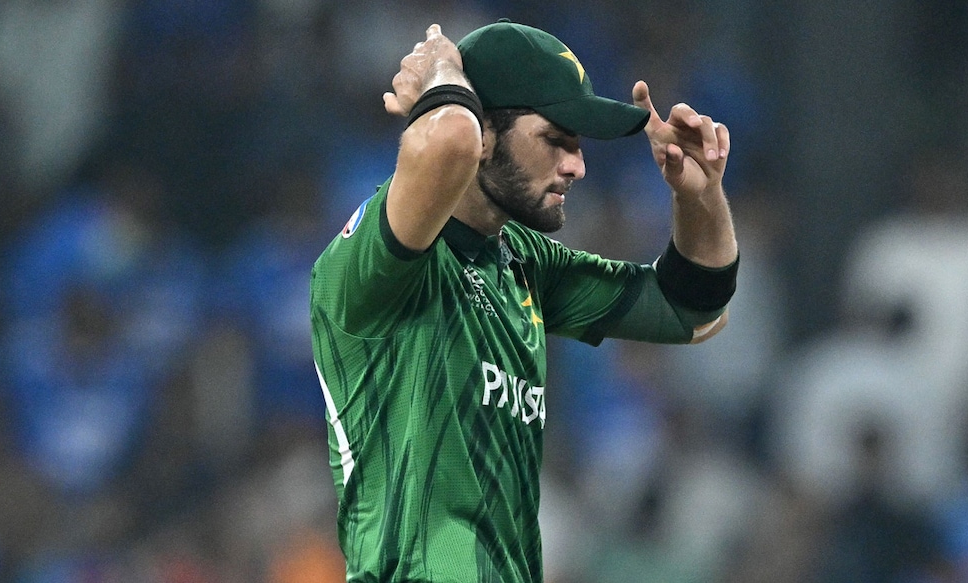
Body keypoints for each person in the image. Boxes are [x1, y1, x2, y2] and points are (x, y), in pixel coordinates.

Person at [310, 19, 739, 582]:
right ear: (484, 133)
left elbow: (693, 310)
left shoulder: (525, 262)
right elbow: (447, 142)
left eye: (579, 144)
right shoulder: (376, 262)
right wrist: (442, 66)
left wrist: (701, 196)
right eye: (556, 139)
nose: (577, 166)